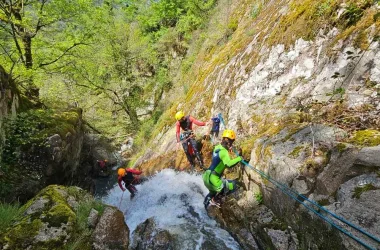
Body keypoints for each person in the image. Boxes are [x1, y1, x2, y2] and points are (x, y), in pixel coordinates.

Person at [202, 129, 243, 209]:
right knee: (233, 185)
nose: (231, 144)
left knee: (213, 192)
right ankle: (215, 200)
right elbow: (228, 164)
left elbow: (221, 158)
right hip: (213, 179)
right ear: (228, 141)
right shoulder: (224, 152)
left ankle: (205, 206)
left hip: (206, 176)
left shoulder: (217, 147)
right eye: (231, 142)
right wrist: (239, 158)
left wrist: (229, 149)